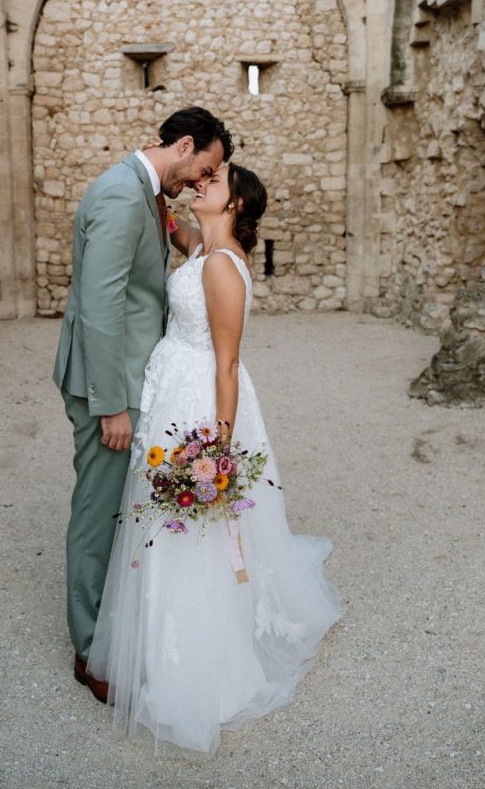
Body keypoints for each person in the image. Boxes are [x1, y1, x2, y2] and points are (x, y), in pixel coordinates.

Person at [87, 162, 342, 754]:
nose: (203, 182)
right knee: (163, 519)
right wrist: (157, 193)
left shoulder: (224, 268)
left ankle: (203, 658)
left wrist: (218, 453)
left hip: (201, 402)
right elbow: (179, 234)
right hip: (170, 388)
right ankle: (157, 638)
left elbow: (227, 363)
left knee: (195, 524)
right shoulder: (204, 247)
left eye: (215, 182)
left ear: (235, 206)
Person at [52, 107, 233, 703]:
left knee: (121, 507)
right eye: (201, 168)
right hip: (111, 387)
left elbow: (155, 270)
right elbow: (100, 307)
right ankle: (90, 651)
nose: (198, 182)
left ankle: (116, 629)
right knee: (98, 509)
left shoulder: (146, 193)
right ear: (183, 145)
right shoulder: (121, 196)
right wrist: (111, 407)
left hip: (136, 378)